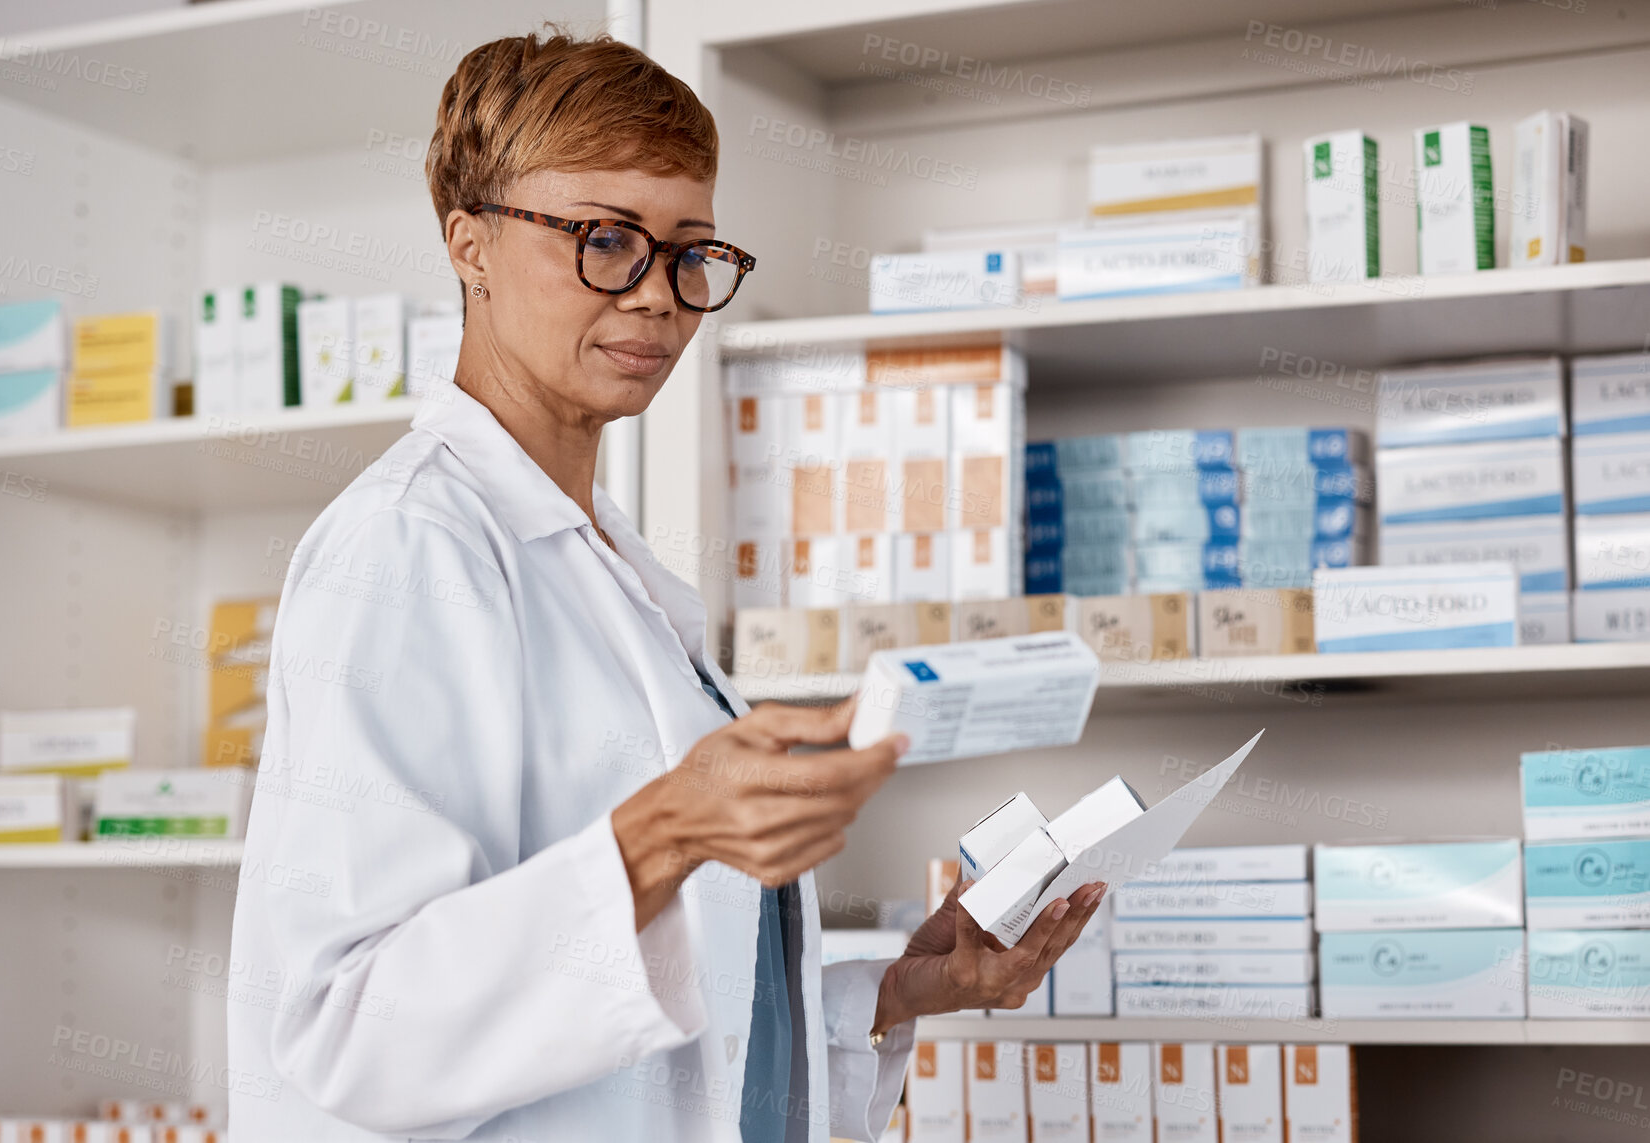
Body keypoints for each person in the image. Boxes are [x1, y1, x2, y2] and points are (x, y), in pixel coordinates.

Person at [227, 30, 1107, 1142]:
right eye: (604, 240)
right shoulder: (409, 548)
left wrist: (892, 991)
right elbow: (343, 1026)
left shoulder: (611, 565)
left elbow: (682, 1036)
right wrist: (662, 836)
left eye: (689, 252)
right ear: (469, 245)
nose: (657, 297)